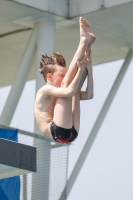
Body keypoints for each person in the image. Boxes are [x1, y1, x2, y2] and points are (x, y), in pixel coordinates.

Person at [34, 17, 96, 144]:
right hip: (57, 131)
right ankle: (83, 41)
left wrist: (89, 69)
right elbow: (68, 91)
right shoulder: (44, 90)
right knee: (70, 88)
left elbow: (89, 95)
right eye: (62, 75)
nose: (65, 77)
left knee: (75, 90)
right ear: (49, 77)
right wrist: (79, 70)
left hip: (71, 131)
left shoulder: (61, 93)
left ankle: (88, 44)